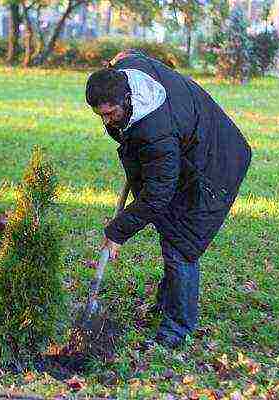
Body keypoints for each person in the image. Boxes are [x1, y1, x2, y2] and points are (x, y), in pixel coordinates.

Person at [85, 51, 252, 348]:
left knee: (180, 245)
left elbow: (157, 195)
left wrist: (117, 231)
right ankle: (166, 304)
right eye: (101, 115)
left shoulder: (155, 131)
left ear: (126, 99)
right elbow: (131, 55)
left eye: (110, 114)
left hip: (216, 165)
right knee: (170, 231)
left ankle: (177, 330)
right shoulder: (125, 70)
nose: (107, 121)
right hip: (188, 149)